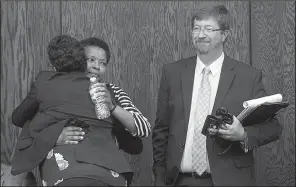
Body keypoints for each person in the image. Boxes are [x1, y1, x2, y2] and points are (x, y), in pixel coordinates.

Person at [152, 5, 282, 186]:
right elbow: (161, 130)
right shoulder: (173, 73)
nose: (200, 34)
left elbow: (273, 127)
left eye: (208, 29)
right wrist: (159, 179)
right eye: (196, 28)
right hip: (179, 180)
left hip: (228, 180)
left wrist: (243, 134)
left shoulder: (248, 76)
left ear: (224, 35)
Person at [11, 35, 151, 186]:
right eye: (90, 60)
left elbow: (142, 130)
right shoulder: (53, 89)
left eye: (102, 63)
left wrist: (112, 107)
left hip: (103, 164)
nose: (96, 66)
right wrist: (53, 135)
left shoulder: (112, 91)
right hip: (67, 168)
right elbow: (26, 122)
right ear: (77, 60)